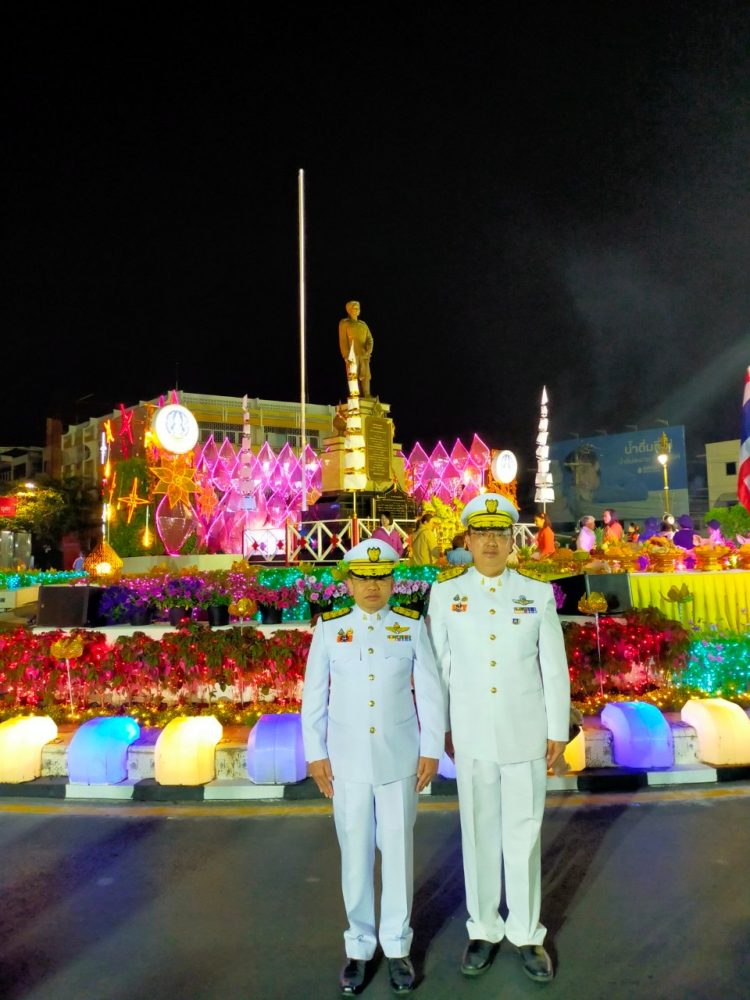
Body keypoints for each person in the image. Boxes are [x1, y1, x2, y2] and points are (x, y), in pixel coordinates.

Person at [426, 494, 570, 985]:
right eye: (481, 533)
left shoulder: (537, 594)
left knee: (524, 833)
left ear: (513, 541)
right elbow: (439, 669)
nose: (490, 542)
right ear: (467, 540)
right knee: (479, 832)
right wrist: (440, 729)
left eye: (499, 533)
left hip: (525, 729)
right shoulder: (446, 594)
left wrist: (556, 729)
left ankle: (527, 933)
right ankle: (484, 928)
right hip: (470, 733)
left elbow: (554, 667)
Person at [301, 538, 444, 997]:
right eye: (363, 577)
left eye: (381, 577)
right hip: (346, 761)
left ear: (392, 580)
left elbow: (431, 690)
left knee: (398, 853)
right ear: (348, 582)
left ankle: (398, 946)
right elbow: (313, 697)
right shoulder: (330, 629)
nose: (372, 586)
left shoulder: (410, 625)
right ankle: (359, 947)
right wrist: (316, 753)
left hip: (399, 758)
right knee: (355, 855)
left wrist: (431, 748)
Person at [339, 300, 374, 398]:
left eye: (358, 308)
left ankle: (367, 394)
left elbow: (370, 339)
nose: (357, 310)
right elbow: (343, 340)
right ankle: (354, 395)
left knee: (365, 375)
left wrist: (369, 351)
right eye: (355, 308)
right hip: (352, 355)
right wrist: (346, 356)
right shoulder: (344, 323)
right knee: (353, 375)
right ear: (349, 310)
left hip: (364, 354)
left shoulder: (363, 324)